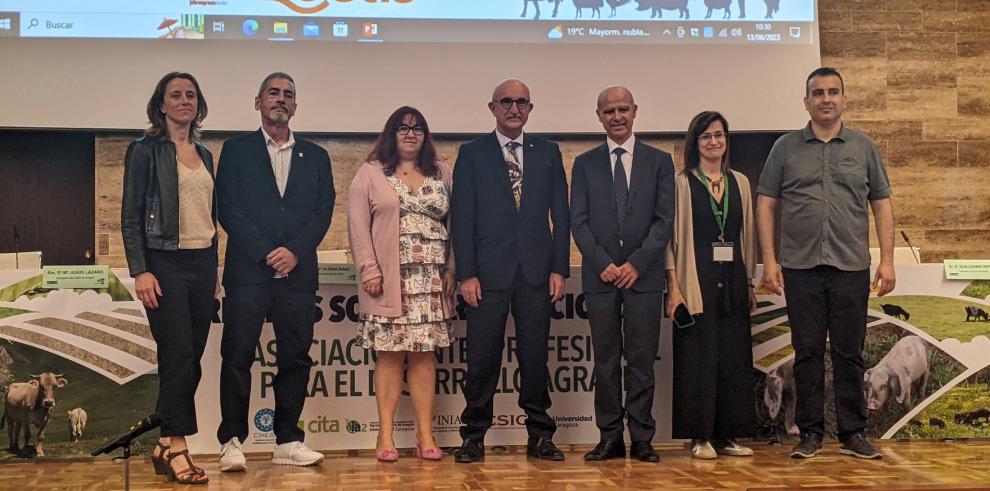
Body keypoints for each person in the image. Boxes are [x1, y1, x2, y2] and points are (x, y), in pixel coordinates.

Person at [757, 67, 895, 460]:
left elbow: (882, 204)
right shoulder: (785, 148)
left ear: (844, 100)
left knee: (850, 353)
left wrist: (886, 260)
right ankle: (811, 433)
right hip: (800, 268)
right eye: (818, 93)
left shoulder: (864, 147)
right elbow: (766, 204)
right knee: (807, 352)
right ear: (806, 102)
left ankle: (852, 433)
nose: (826, 98)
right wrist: (769, 261)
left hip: (851, 267)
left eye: (833, 92)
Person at [215, 72, 334, 470]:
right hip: (248, 273)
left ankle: (287, 440)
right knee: (237, 356)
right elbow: (228, 209)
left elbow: (322, 211)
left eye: (288, 95)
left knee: (295, 358)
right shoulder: (235, 150)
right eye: (273, 93)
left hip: (297, 275)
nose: (280, 99)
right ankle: (232, 440)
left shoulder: (315, 156)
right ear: (258, 102)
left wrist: (295, 252)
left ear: (295, 107)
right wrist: (269, 252)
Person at [451, 79, 570, 463]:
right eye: (507, 102)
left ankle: (540, 435)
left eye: (521, 103)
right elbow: (463, 217)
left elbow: (561, 215)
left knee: (535, 357)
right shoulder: (472, 153)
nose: (514, 108)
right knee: (482, 358)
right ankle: (473, 437)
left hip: (536, 273)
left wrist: (559, 268)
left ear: (530, 109)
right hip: (486, 275)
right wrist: (467, 273)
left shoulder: (548, 152)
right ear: (492, 108)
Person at [121, 71, 216, 485]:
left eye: (190, 95)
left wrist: (215, 270)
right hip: (163, 264)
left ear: (198, 104)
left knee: (190, 362)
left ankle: (161, 443)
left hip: (202, 264)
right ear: (161, 104)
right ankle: (178, 447)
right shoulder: (144, 151)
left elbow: (210, 217)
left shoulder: (206, 154)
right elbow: (130, 217)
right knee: (176, 357)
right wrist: (140, 269)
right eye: (175, 95)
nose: (183, 101)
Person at [570, 86, 673, 462]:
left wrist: (636, 264)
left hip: (643, 278)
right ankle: (610, 436)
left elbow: (664, 222)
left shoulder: (659, 161)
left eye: (623, 109)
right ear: (598, 116)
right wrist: (603, 264)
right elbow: (577, 222)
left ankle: (642, 438)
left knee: (642, 360)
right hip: (600, 279)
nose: (617, 116)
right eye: (609, 110)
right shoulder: (584, 163)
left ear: (635, 112)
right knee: (606, 360)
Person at [348, 106, 455, 462]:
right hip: (389, 281)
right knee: (391, 358)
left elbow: (458, 224)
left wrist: (452, 269)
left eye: (418, 128)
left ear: (426, 135)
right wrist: (369, 271)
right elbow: (358, 227)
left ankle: (426, 435)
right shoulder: (370, 173)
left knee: (424, 358)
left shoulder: (442, 172)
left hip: (432, 282)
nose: (411, 134)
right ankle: (385, 435)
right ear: (391, 134)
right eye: (403, 128)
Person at [664, 111, 757, 460]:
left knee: (733, 357)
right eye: (706, 136)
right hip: (695, 280)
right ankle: (700, 436)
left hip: (733, 279)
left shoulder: (741, 183)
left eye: (719, 135)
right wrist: (674, 286)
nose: (714, 141)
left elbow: (746, 235)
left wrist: (750, 284)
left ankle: (728, 435)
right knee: (698, 358)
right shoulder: (682, 183)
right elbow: (671, 241)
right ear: (695, 143)